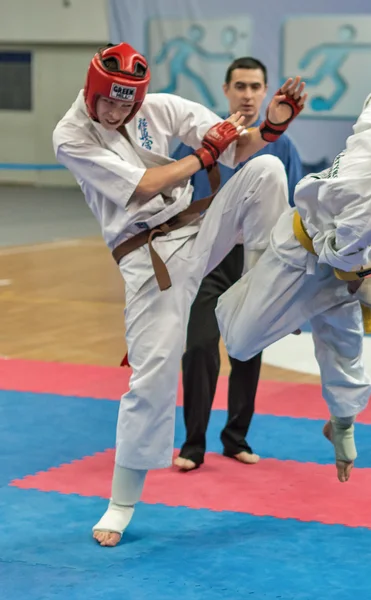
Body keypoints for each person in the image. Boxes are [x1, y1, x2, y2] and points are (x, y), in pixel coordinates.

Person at [53, 42, 307, 546]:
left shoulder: (160, 106)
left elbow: (236, 147)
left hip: (199, 227)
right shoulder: (71, 135)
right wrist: (203, 154)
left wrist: (273, 127)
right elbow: (146, 185)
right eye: (110, 101)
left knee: (268, 169)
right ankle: (121, 504)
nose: (118, 110)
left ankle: (263, 287)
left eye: (128, 102)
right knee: (152, 377)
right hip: (147, 259)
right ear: (92, 89)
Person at [215, 89, 371, 484]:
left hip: (341, 266)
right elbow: (338, 257)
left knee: (346, 351)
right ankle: (236, 295)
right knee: (240, 343)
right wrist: (368, 278)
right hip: (299, 262)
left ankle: (342, 424)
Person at [171, 57, 303, 471]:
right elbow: (175, 197)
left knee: (247, 346)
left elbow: (296, 210)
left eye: (255, 87)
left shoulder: (282, 147)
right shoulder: (201, 137)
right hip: (208, 256)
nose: (247, 95)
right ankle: (193, 443)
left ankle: (235, 438)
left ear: (265, 93)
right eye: (240, 86)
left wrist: (293, 283)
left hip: (258, 258)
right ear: (226, 90)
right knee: (198, 346)